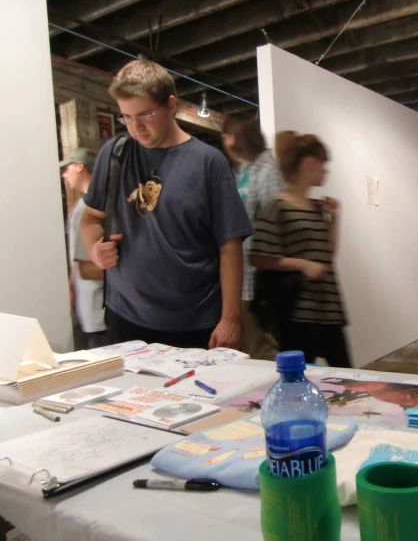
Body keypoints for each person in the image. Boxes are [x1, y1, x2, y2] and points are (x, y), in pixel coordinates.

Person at [80, 59, 252, 349]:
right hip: (125, 317)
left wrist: (230, 318)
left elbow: (230, 246)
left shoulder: (208, 163)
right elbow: (90, 217)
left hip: (194, 321)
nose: (136, 128)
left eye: (145, 114)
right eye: (127, 117)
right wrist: (93, 249)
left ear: (171, 104)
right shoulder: (114, 153)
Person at [249, 131, 351, 368]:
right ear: (308, 163)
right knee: (299, 379)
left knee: (348, 379)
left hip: (328, 308)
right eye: (323, 164)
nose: (326, 170)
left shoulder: (316, 208)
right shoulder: (278, 207)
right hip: (298, 312)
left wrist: (334, 219)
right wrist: (303, 265)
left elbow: (327, 255)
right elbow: (259, 257)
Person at [221, 114, 286, 360]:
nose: (225, 141)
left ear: (238, 137)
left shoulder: (268, 170)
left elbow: (275, 226)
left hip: (259, 282)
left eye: (227, 135)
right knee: (247, 351)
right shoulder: (243, 170)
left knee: (263, 353)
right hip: (241, 280)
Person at [61, 147, 108, 349]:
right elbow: (78, 262)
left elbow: (87, 267)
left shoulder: (90, 208)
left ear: (80, 166)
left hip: (98, 312)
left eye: (68, 168)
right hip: (89, 310)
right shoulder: (83, 207)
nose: (64, 174)